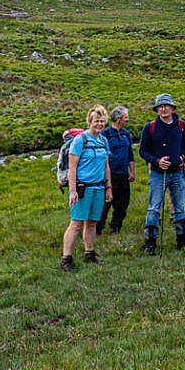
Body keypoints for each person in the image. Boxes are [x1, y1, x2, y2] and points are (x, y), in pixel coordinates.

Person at [139, 93, 185, 255]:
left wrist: (182, 157)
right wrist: (156, 161)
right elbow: (142, 150)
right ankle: (150, 243)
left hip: (177, 172)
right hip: (157, 174)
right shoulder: (149, 127)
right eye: (160, 106)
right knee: (154, 208)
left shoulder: (181, 125)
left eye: (166, 106)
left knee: (179, 207)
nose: (163, 109)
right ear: (157, 110)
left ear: (172, 108)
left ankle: (182, 239)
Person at [60, 105, 112, 271]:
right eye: (96, 121)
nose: (100, 124)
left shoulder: (103, 141)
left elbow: (106, 166)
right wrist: (73, 191)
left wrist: (108, 187)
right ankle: (66, 259)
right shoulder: (80, 140)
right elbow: (72, 168)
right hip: (82, 188)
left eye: (102, 121)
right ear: (89, 121)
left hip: (98, 187)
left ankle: (89, 253)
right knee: (76, 224)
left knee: (92, 223)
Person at [97, 106, 134, 235]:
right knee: (105, 203)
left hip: (123, 174)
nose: (128, 119)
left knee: (123, 203)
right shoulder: (105, 134)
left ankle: (116, 227)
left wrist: (132, 171)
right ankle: (98, 228)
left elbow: (130, 154)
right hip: (109, 175)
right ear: (118, 119)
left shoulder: (126, 134)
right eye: (126, 117)